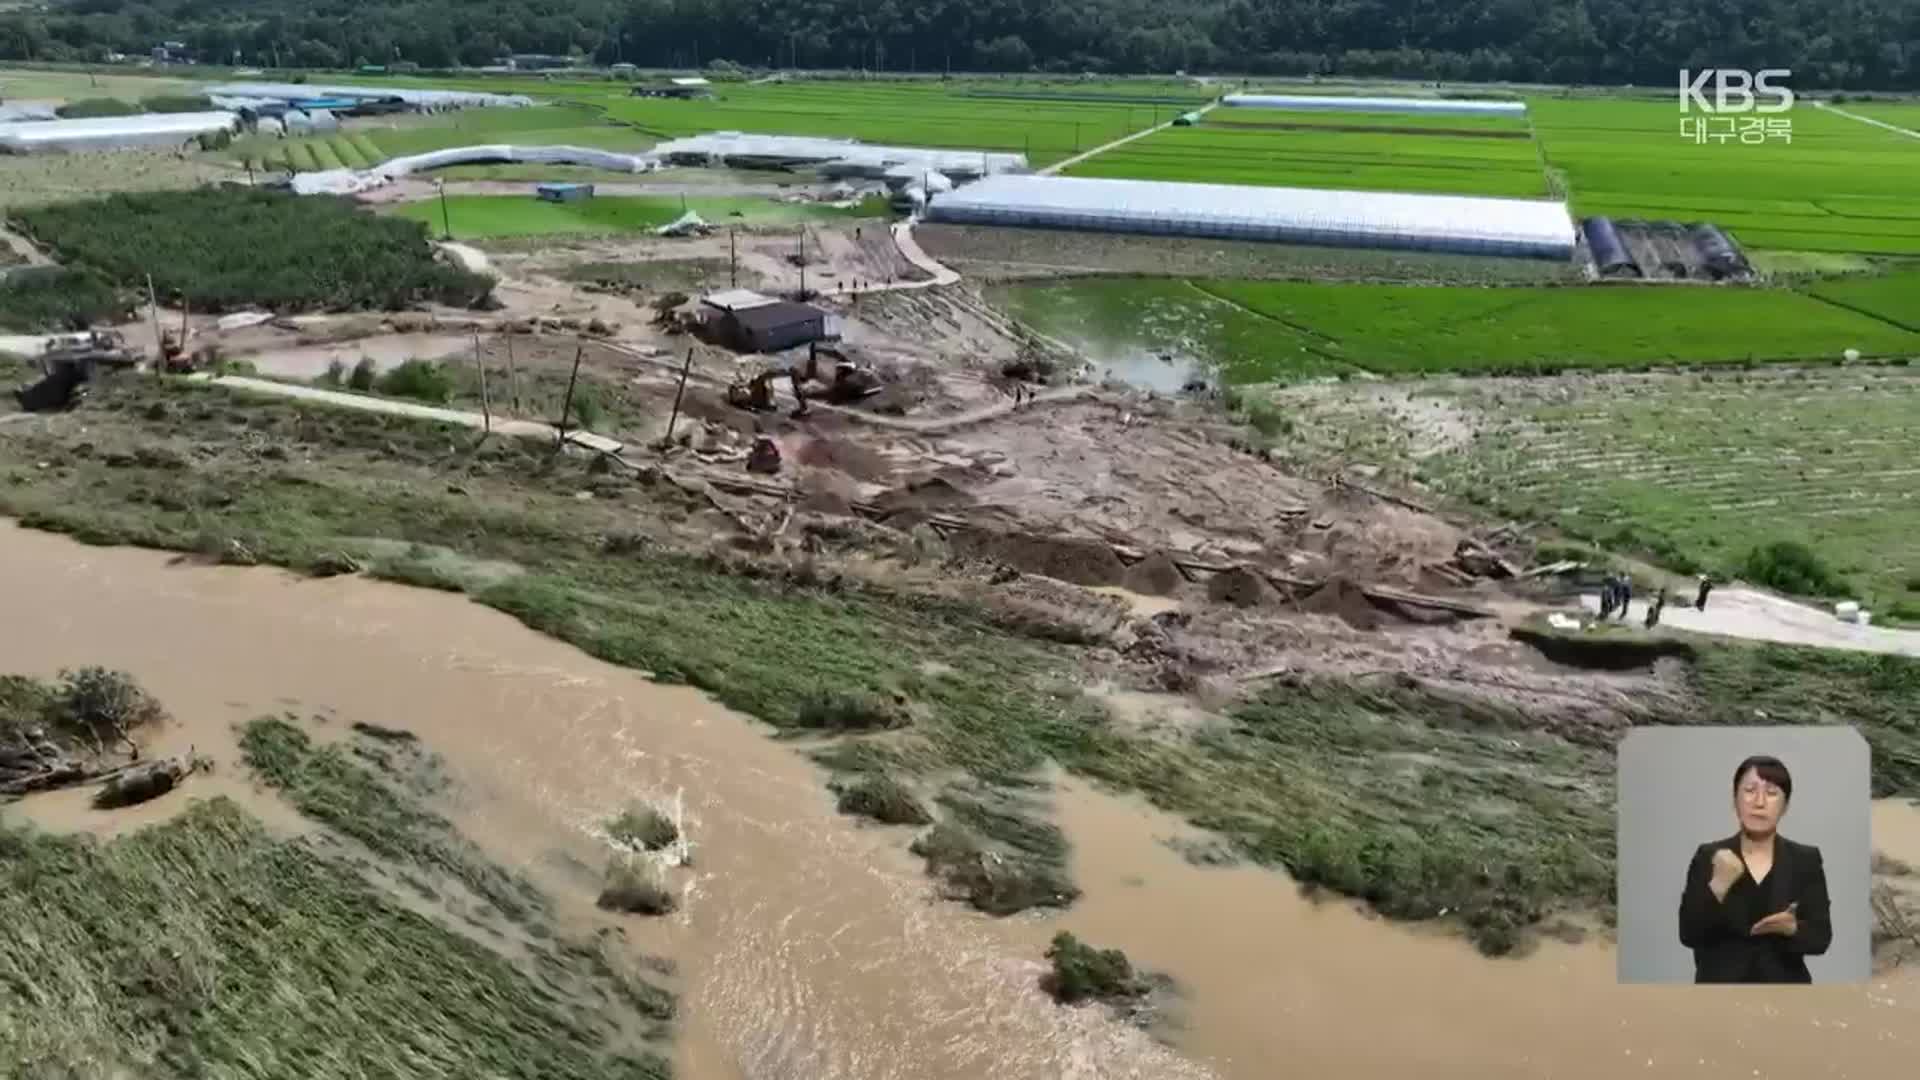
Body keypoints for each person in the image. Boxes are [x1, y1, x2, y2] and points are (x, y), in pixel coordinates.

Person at [1678, 755, 1831, 983]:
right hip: (1719, 994)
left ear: (1785, 805)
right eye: (1749, 790)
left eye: (1771, 793)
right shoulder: (1708, 856)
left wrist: (1792, 929)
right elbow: (1688, 934)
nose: (1759, 802)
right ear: (1735, 800)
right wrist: (1718, 885)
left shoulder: (1805, 859)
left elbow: (1821, 938)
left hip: (1785, 994)